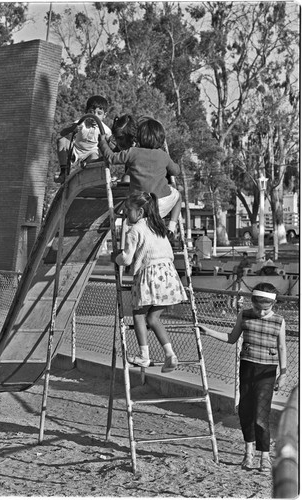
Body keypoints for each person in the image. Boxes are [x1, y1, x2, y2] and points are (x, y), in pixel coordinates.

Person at [199, 283, 287, 472]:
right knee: (245, 410)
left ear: (273, 304)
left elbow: (281, 347)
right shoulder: (244, 315)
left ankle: (264, 456)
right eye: (257, 308)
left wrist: (284, 373)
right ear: (252, 303)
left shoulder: (279, 321)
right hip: (247, 367)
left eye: (265, 309)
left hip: (267, 371)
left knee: (261, 413)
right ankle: (248, 452)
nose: (261, 313)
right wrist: (209, 331)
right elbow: (232, 338)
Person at [113, 191, 187, 372]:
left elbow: (127, 258)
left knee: (138, 314)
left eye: (127, 210)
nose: (125, 214)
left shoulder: (135, 230)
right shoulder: (158, 226)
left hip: (149, 276)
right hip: (168, 276)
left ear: (139, 213)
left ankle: (144, 355)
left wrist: (115, 257)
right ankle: (170, 354)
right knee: (153, 318)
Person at [99, 115, 182, 236]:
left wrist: (102, 142)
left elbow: (111, 158)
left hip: (139, 205)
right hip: (161, 205)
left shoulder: (133, 152)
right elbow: (176, 171)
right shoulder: (163, 155)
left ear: (138, 137)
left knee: (132, 222)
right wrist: (175, 164)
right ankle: (171, 227)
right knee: (178, 196)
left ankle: (130, 242)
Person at [55, 95, 112, 183]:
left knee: (95, 157)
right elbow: (62, 133)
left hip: (90, 152)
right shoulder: (81, 123)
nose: (94, 116)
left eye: (99, 113)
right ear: (86, 112)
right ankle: (63, 172)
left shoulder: (106, 130)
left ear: (105, 115)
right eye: (91, 112)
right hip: (76, 149)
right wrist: (72, 129)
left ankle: (87, 178)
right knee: (61, 141)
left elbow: (109, 146)